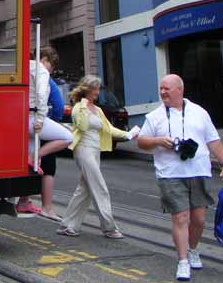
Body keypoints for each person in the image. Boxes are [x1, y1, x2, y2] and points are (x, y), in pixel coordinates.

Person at [137, 74, 223, 282]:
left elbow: (213, 140)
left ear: (180, 90)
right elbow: (142, 142)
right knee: (181, 217)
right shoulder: (154, 116)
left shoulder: (199, 113)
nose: (162, 92)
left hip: (198, 170)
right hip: (170, 173)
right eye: (161, 88)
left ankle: (192, 249)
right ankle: (182, 261)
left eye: (166, 89)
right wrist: (158, 141)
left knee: (198, 219)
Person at [56, 75, 138, 239]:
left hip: (95, 151)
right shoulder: (79, 108)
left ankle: (68, 225)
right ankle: (109, 227)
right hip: (83, 150)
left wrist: (128, 135)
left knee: (85, 189)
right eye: (96, 89)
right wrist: (84, 106)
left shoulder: (98, 109)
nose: (98, 92)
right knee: (100, 187)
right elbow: (83, 125)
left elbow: (108, 129)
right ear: (89, 89)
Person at [17, 47, 73, 215]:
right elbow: (43, 97)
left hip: (19, 118)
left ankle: (23, 201)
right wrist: (41, 120)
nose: (52, 69)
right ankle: (35, 157)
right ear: (45, 59)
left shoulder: (23, 67)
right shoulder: (41, 70)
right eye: (52, 64)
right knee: (67, 137)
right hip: (33, 119)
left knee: (30, 168)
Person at [36, 77, 65, 221]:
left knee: (32, 166)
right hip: (42, 125)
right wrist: (55, 120)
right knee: (49, 168)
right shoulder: (45, 77)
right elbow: (58, 104)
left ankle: (24, 201)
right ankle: (47, 207)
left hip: (26, 123)